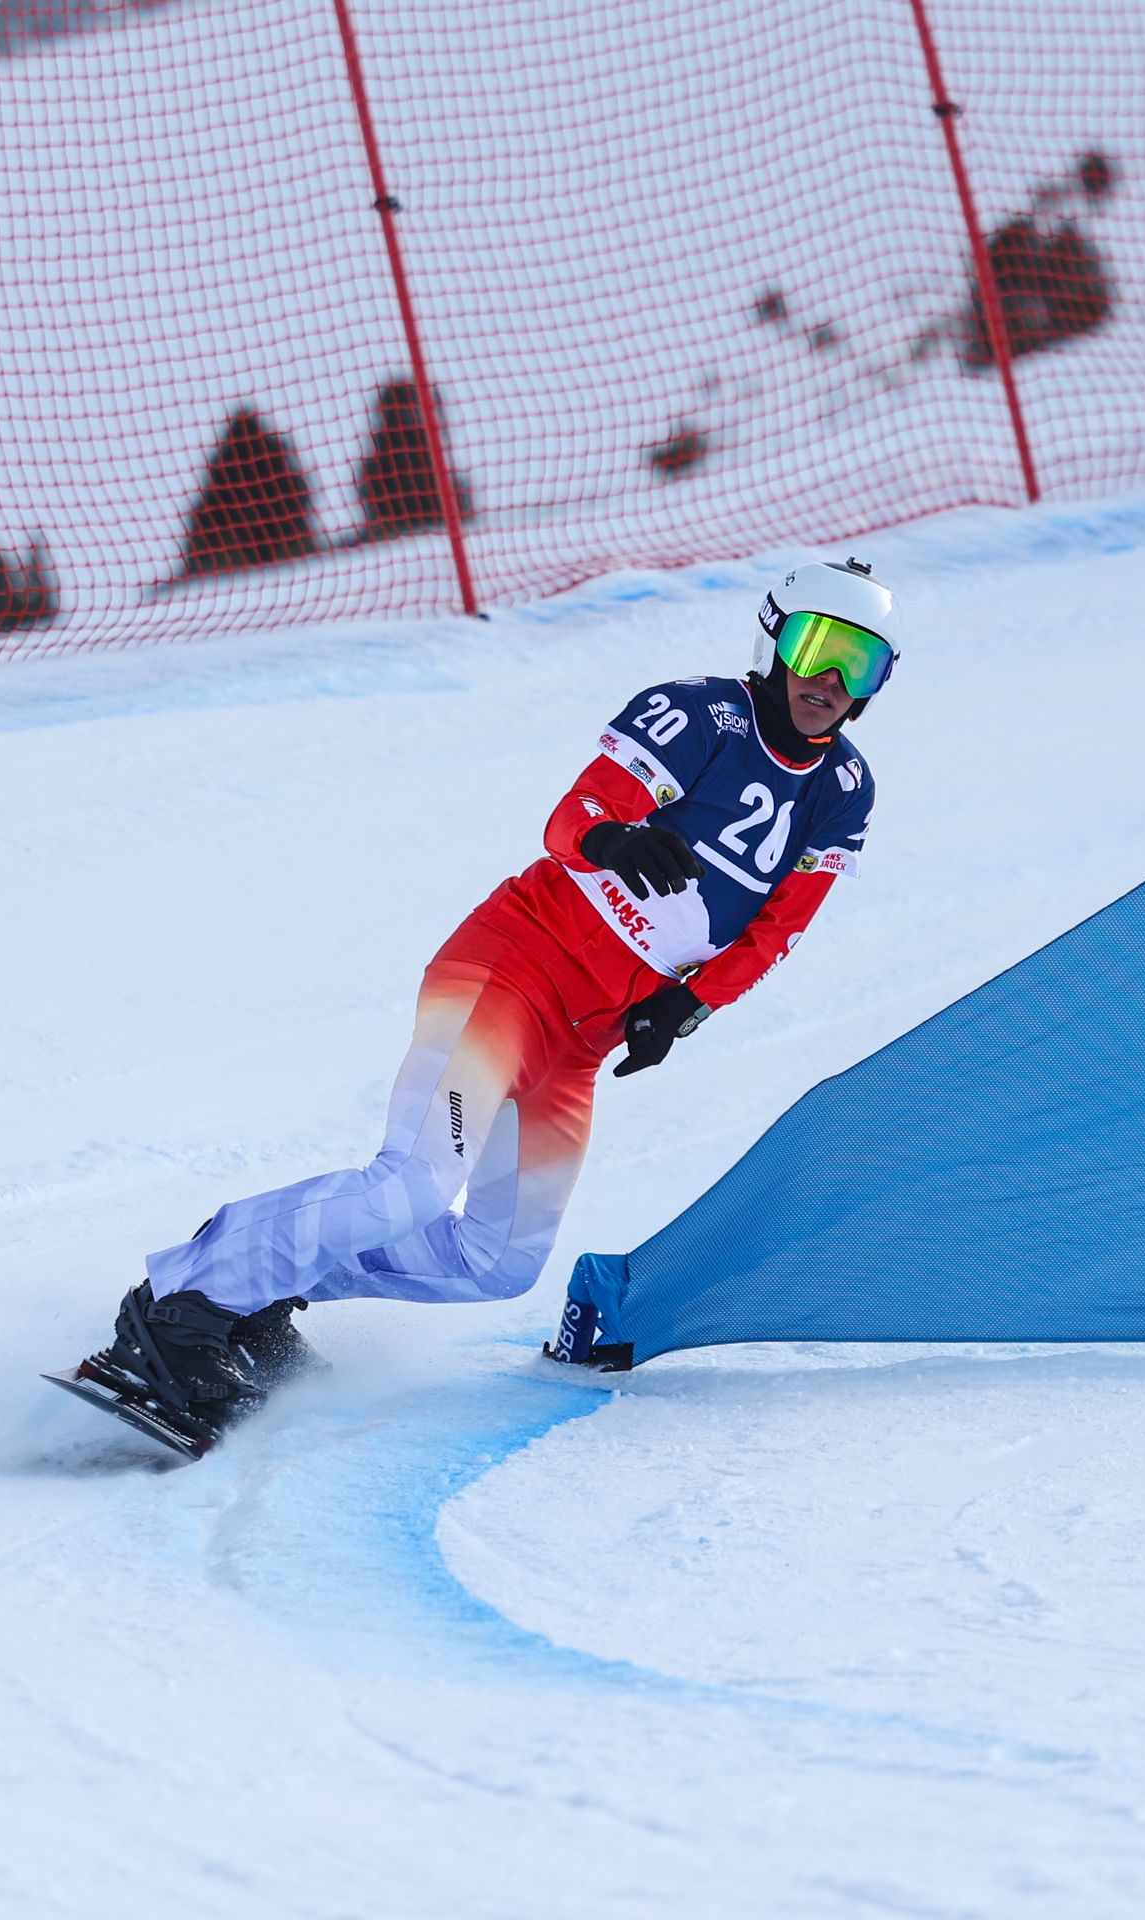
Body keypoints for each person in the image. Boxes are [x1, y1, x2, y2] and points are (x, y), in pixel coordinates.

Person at [60, 557, 896, 1451]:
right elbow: (572, 817)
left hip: (579, 1041)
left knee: (492, 1262)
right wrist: (612, 838)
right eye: (818, 648)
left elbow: (779, 928)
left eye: (862, 663)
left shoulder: (845, 790)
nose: (830, 681)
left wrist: (688, 1007)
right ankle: (184, 1302)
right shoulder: (698, 713)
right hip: (515, 971)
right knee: (411, 1186)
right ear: (776, 638)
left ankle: (259, 1284)